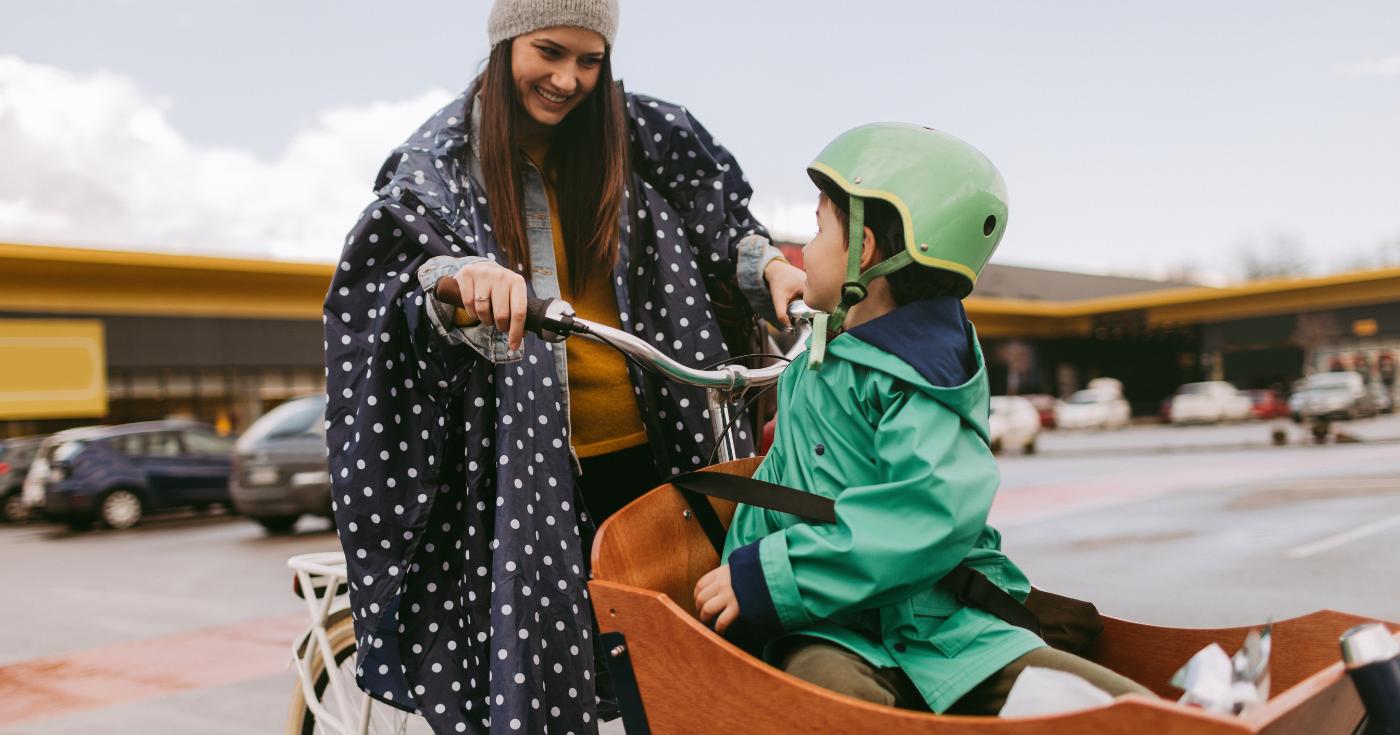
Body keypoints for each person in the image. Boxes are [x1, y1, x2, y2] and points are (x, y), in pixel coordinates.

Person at [322, 0, 804, 731]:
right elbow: (395, 285)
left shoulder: (648, 134)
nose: (568, 78)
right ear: (506, 41)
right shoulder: (441, 160)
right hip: (529, 473)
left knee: (698, 667)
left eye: (589, 59)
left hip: (665, 447)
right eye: (548, 51)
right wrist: (458, 279)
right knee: (540, 673)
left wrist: (770, 269)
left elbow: (725, 226)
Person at [694, 124, 1154, 714]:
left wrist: (769, 579)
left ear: (861, 250)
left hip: (942, 619)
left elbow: (931, 508)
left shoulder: (921, 374)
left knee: (1112, 709)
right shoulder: (820, 356)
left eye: (816, 228)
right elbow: (785, 483)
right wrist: (744, 574)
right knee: (826, 693)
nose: (802, 251)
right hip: (831, 623)